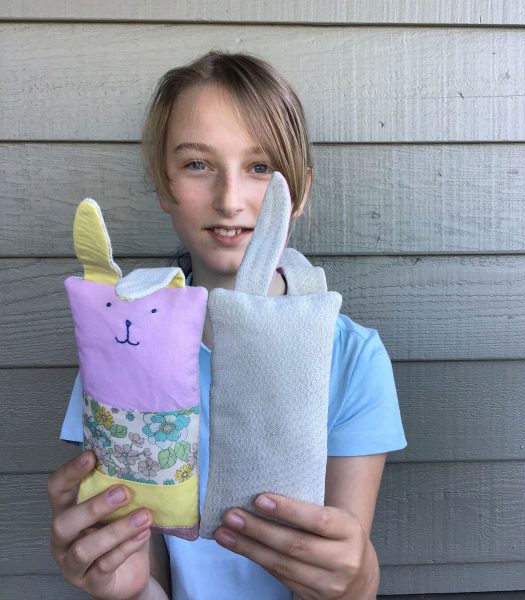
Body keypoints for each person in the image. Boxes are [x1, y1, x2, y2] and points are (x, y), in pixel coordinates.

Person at [48, 51, 406, 600]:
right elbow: (144, 575)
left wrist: (356, 582)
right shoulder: (123, 345)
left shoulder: (351, 358)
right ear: (163, 185)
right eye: (197, 164)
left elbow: (343, 571)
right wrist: (128, 589)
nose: (230, 199)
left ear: (300, 192)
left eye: (260, 168)